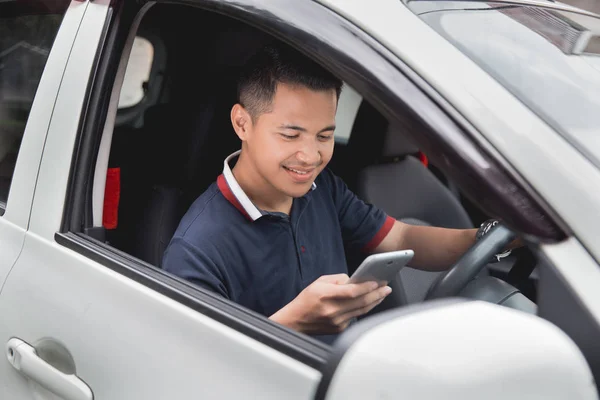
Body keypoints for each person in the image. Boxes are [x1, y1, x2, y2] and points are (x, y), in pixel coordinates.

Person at [162, 44, 510, 341]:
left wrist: (494, 238)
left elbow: (402, 236)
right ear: (242, 123)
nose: (311, 156)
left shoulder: (322, 188)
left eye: (324, 136)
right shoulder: (197, 248)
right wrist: (293, 322)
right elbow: (199, 368)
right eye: (291, 135)